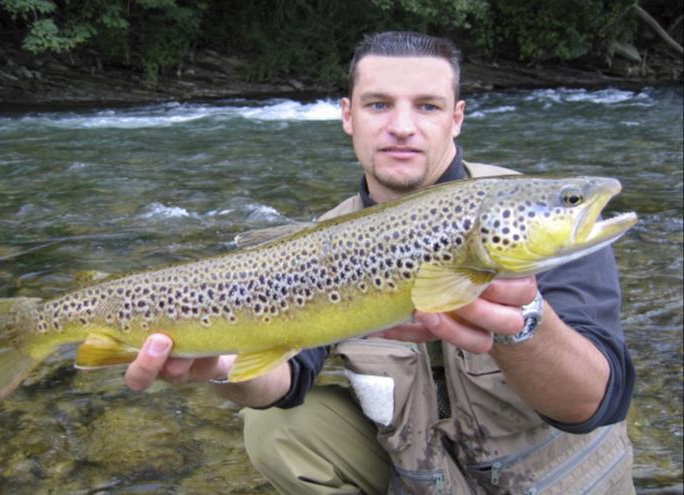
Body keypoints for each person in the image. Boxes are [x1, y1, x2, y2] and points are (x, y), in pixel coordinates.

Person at [124, 31, 636, 494]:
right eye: (379, 105)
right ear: (349, 116)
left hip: (555, 484)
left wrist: (523, 325)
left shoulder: (526, 218)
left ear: (456, 118)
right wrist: (219, 369)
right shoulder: (321, 241)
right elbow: (288, 376)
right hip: (426, 477)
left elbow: (594, 403)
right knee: (271, 426)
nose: (402, 127)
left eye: (428, 107)